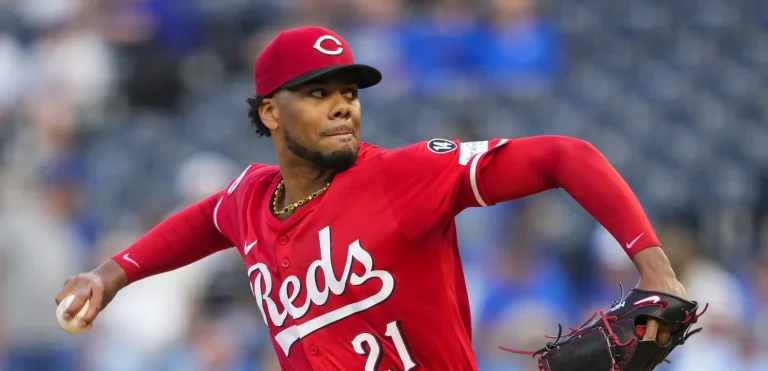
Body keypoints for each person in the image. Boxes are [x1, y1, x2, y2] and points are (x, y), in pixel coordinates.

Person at [56, 26, 689, 370]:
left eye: (349, 91)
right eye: (318, 91)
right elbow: (204, 220)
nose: (341, 105)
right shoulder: (251, 198)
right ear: (271, 111)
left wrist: (654, 267)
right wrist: (111, 276)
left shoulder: (403, 177)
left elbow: (564, 155)